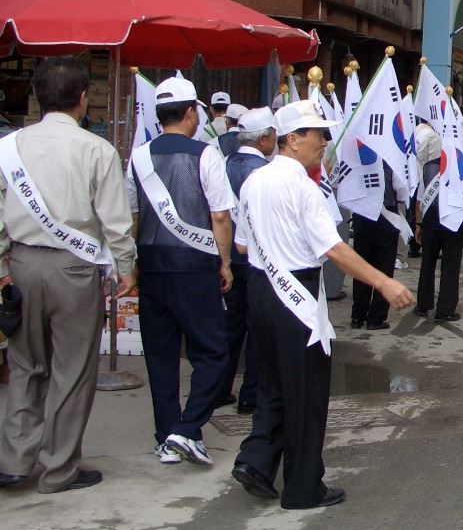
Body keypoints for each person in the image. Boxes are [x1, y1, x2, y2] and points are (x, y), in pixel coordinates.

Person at [231, 101, 413, 509]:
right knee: (307, 393)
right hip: (294, 293)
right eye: (318, 134)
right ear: (292, 141)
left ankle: (257, 461)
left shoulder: (254, 181)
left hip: (261, 290)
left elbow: (242, 244)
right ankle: (302, 487)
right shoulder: (302, 187)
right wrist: (383, 282)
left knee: (274, 385)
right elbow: (332, 248)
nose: (326, 143)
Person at [0, 57, 136, 494]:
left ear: (39, 98)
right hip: (74, 269)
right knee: (72, 369)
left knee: (24, 364)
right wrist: (125, 269)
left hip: (20, 263)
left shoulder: (9, 147)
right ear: (83, 99)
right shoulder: (97, 150)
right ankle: (57, 469)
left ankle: (14, 461)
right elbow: (116, 222)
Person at [128, 76, 236, 468]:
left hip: (152, 264)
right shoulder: (205, 155)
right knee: (213, 351)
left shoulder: (139, 155)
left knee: (160, 355)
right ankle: (187, 429)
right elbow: (221, 216)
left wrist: (135, 263)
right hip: (194, 266)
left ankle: (166, 437)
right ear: (191, 112)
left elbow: (134, 215)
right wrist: (223, 262)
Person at [219, 106, 275, 416]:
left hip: (226, 258)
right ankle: (250, 395)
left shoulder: (222, 164)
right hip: (255, 259)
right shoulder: (264, 172)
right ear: (265, 137)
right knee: (258, 331)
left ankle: (219, 388)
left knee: (229, 326)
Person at [413, 125, 463, 323]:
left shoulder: (428, 166)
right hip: (453, 220)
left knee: (427, 262)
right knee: (451, 265)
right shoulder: (462, 166)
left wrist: (418, 224)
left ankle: (423, 304)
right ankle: (445, 309)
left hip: (430, 219)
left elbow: (420, 198)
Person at [349, 161, 401, 331]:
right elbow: (401, 191)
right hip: (386, 215)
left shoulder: (357, 158)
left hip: (362, 215)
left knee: (361, 267)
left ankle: (357, 315)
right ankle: (376, 318)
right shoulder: (391, 158)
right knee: (384, 267)